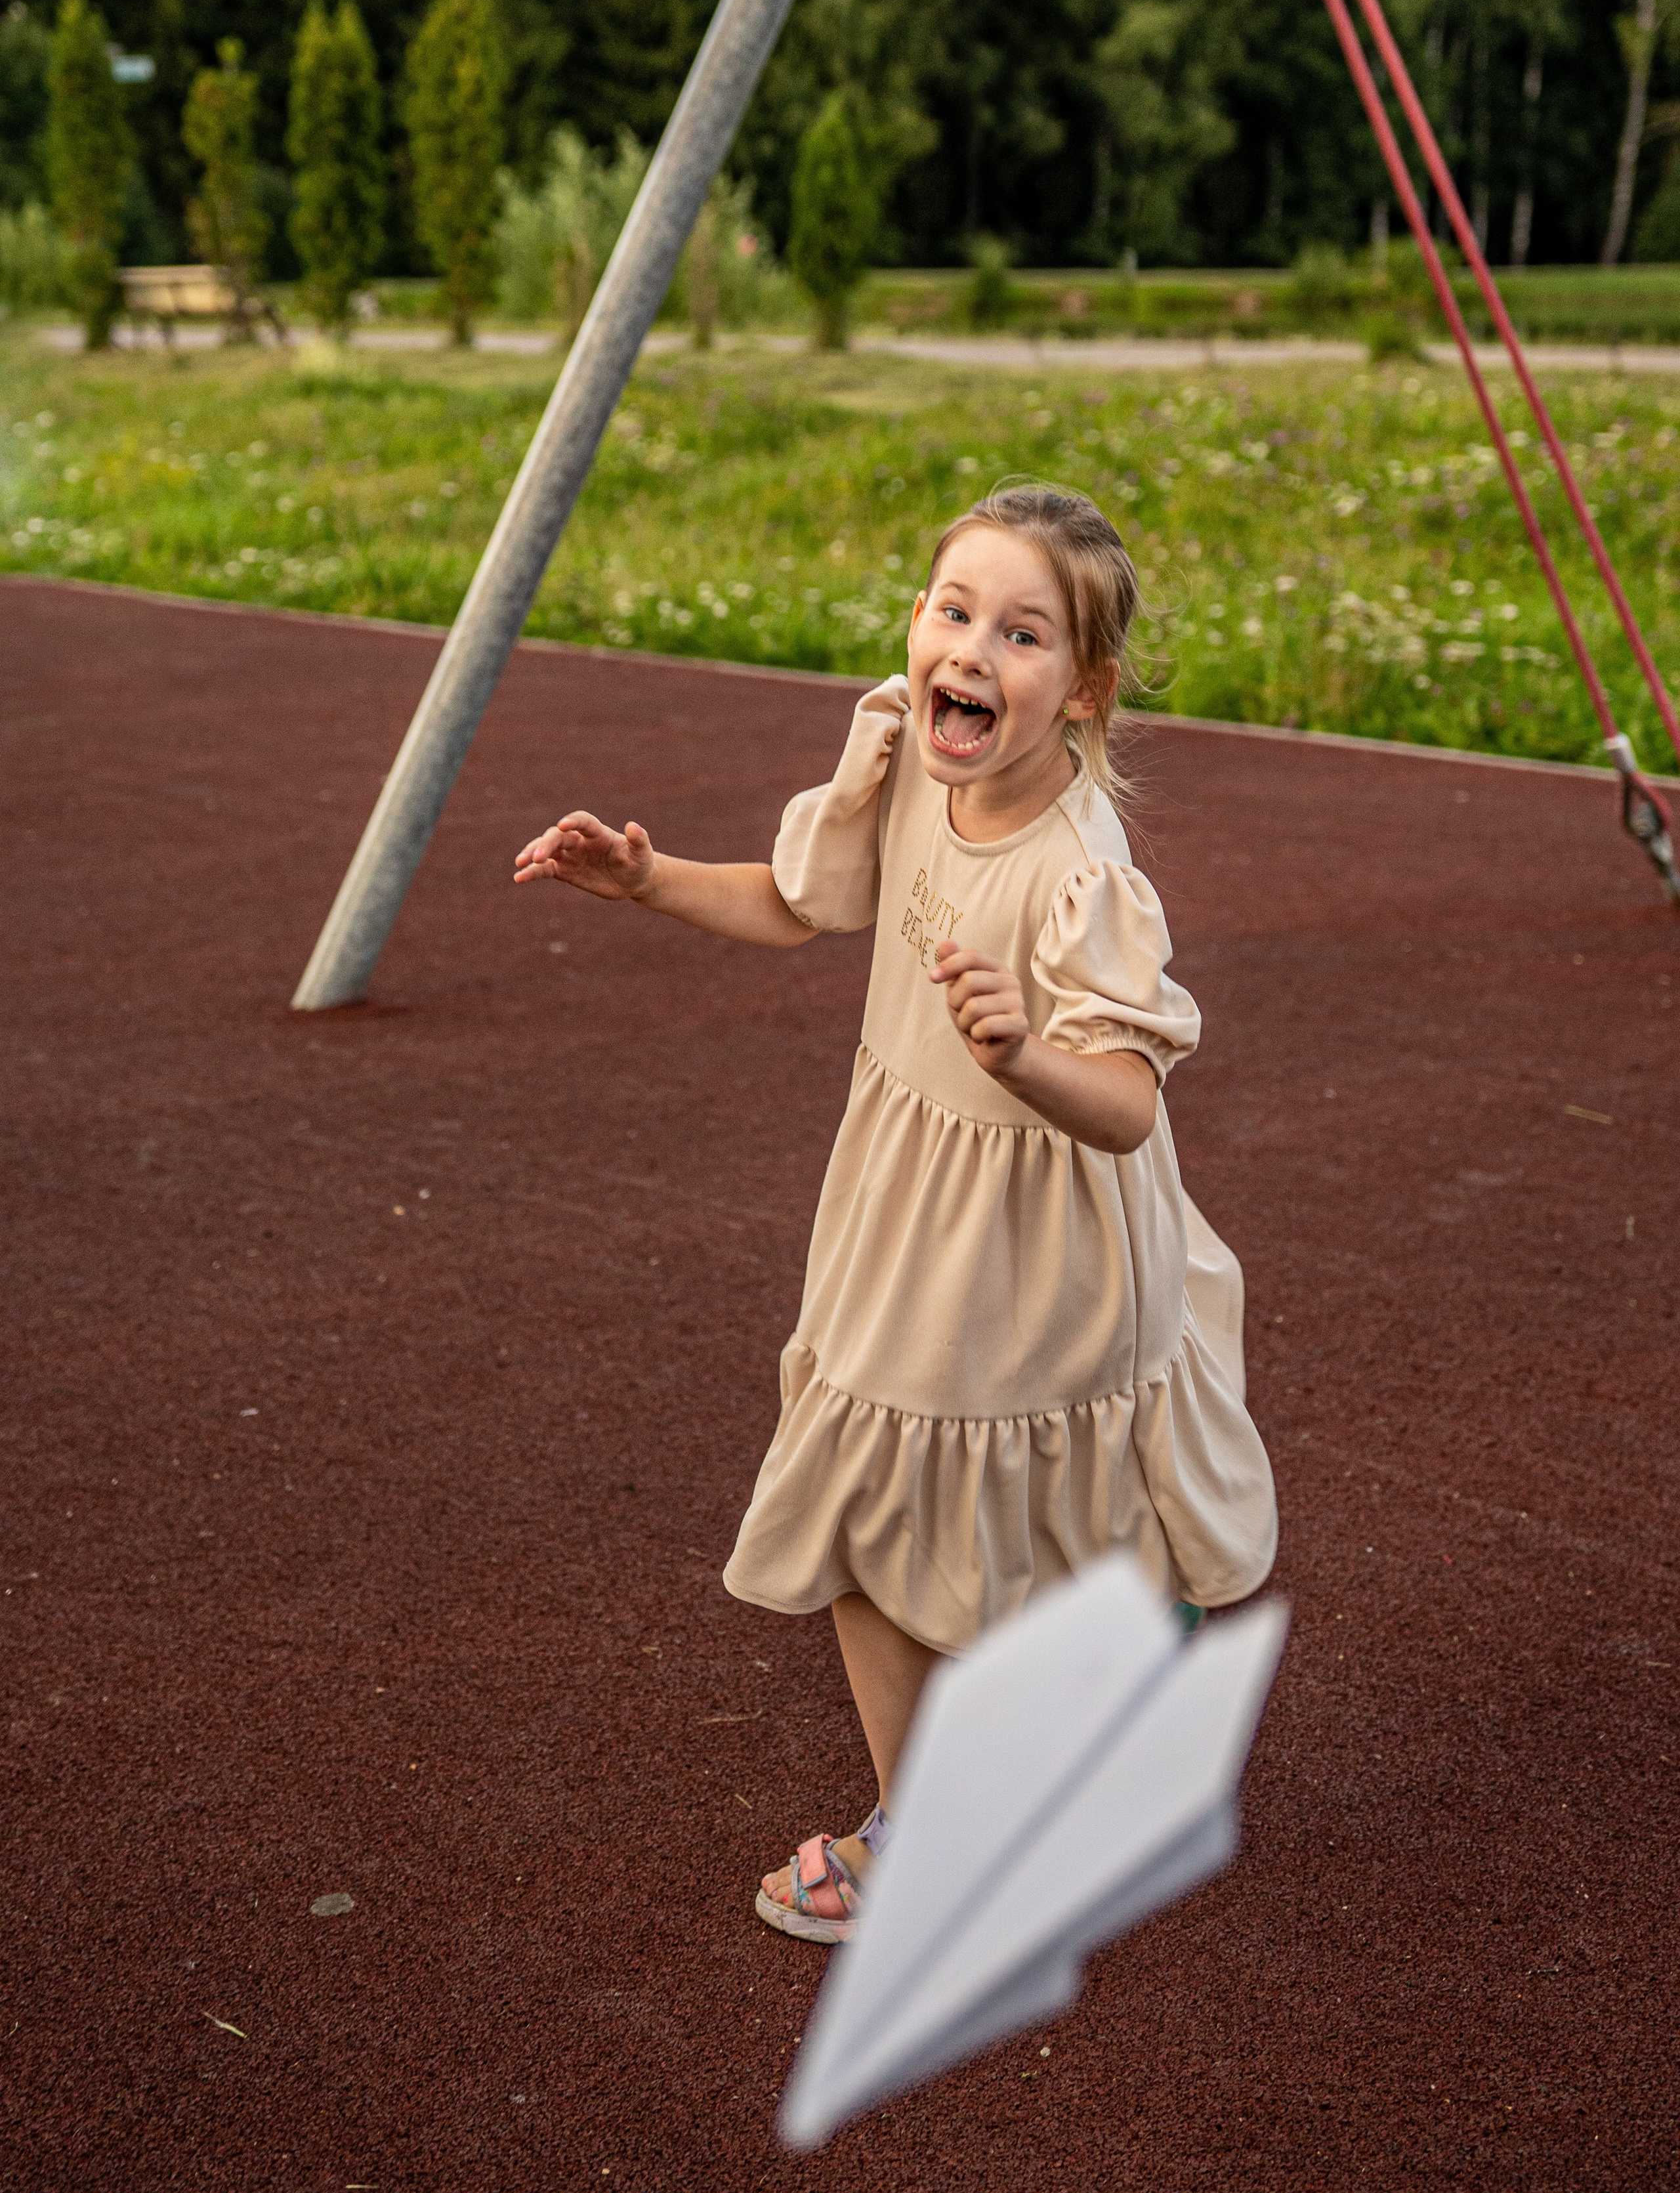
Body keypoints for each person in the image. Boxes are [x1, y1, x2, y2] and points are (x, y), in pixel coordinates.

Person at [514, 483, 1277, 1945]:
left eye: (1023, 633)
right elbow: (797, 904)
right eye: (954, 611)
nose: (972, 649)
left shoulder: (1083, 877)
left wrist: (1021, 1053)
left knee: (926, 1499)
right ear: (916, 628)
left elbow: (1126, 1102)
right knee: (912, 1497)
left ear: (1085, 690)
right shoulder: (903, 759)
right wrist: (647, 881)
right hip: (908, 1201)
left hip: (1042, 1231)